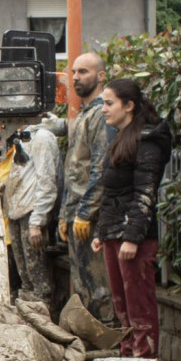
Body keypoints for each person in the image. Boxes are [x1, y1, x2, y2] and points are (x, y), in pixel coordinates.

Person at [91, 78, 171, 358]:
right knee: (122, 309)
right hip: (115, 234)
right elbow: (112, 191)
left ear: (129, 106)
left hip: (133, 239)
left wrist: (133, 237)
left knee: (139, 310)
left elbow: (145, 192)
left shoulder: (148, 141)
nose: (103, 109)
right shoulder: (122, 138)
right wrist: (102, 232)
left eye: (109, 103)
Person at [59, 52, 117, 322]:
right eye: (73, 72)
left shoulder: (101, 115)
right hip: (77, 214)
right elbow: (73, 169)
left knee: (99, 289)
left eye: (83, 72)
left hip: (92, 217)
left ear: (101, 76)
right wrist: (65, 213)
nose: (75, 77)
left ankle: (108, 337)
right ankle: (92, 338)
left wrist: (85, 212)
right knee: (83, 286)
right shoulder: (84, 115)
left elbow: (101, 167)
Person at [2, 114, 66, 306]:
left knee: (39, 284)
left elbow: (47, 181)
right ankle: (29, 315)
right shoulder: (23, 135)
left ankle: (44, 315)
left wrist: (37, 222)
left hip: (31, 215)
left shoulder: (42, 137)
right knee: (26, 282)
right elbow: (23, 174)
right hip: (17, 212)